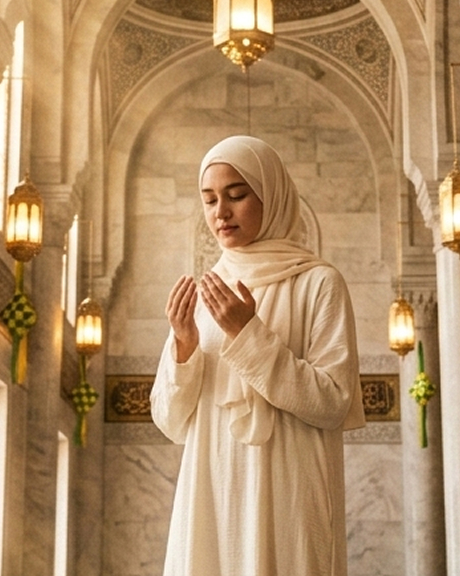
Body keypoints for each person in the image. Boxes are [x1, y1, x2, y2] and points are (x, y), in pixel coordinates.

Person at [150, 135, 366, 576]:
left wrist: (247, 335)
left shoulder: (319, 283)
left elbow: (333, 402)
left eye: (237, 195)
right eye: (209, 200)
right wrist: (185, 347)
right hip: (210, 490)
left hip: (288, 488)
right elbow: (169, 420)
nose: (220, 213)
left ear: (272, 194)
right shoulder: (210, 289)